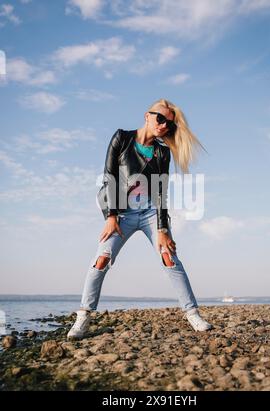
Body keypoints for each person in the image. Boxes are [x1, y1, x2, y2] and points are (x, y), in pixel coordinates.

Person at [67, 98, 212, 339]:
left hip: (150, 214)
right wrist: (111, 216)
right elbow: (109, 177)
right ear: (147, 115)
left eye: (170, 124)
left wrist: (163, 228)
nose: (164, 125)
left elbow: (161, 192)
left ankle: (193, 314)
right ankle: (83, 317)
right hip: (121, 214)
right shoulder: (121, 138)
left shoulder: (162, 153)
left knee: (169, 257)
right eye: (161, 118)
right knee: (102, 259)